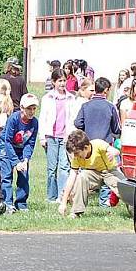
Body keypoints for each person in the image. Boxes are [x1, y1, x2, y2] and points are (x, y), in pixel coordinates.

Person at [58, 129, 125, 218]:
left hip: (110, 171)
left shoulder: (98, 144)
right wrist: (63, 203)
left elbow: (113, 150)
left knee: (125, 188)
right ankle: (76, 212)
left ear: (86, 147)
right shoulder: (76, 157)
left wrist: (115, 152)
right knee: (81, 177)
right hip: (93, 173)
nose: (75, 156)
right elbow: (72, 177)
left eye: (77, 153)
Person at [0, 93, 40, 212]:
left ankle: (21, 202)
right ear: (22, 108)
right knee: (7, 175)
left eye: (34, 108)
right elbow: (7, 141)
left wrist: (25, 160)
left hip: (21, 149)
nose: (31, 111)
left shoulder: (34, 122)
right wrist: (15, 162)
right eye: (29, 108)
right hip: (6, 147)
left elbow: (30, 143)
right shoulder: (14, 119)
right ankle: (8, 203)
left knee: (24, 176)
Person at [38, 69, 77, 203]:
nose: (62, 83)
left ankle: (62, 194)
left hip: (65, 136)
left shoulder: (71, 97)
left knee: (64, 167)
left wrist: (71, 134)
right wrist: (42, 137)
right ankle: (51, 196)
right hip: (51, 136)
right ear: (54, 82)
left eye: (64, 80)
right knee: (51, 168)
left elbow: (73, 117)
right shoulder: (47, 98)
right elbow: (43, 118)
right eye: (59, 81)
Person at [74, 77, 121, 145]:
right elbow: (117, 128)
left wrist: (86, 128)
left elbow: (78, 123)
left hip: (89, 143)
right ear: (106, 90)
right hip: (105, 144)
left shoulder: (85, 106)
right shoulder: (111, 107)